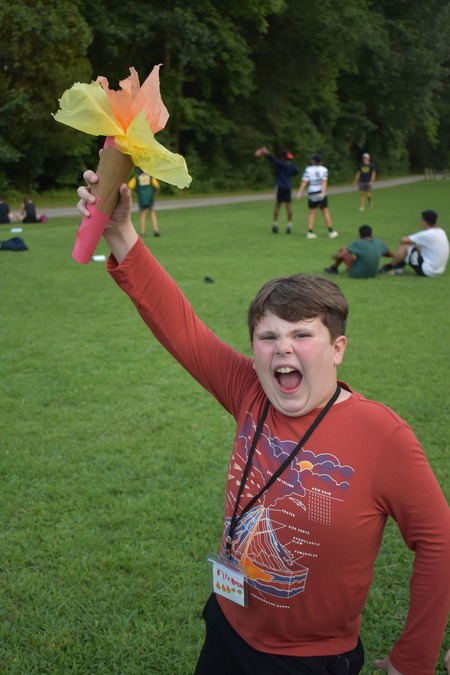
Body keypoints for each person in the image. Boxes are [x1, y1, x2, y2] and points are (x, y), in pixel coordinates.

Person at [76, 170, 450, 675]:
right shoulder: (249, 389)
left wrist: (414, 659)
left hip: (311, 659)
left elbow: (438, 541)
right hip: (227, 626)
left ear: (338, 349)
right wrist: (120, 231)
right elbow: (180, 325)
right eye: (268, 336)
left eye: (302, 334)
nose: (284, 349)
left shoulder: (383, 436)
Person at [380, 209, 449, 276]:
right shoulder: (441, 231)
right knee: (416, 245)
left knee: (404, 246)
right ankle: (400, 266)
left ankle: (390, 267)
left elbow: (403, 240)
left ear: (424, 221)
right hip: (439, 271)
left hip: (428, 271)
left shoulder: (427, 234)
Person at [255, 146, 299, 234]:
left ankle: (275, 224)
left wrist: (266, 152)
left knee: (277, 206)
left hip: (280, 186)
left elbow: (272, 159)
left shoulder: (280, 164)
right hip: (288, 187)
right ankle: (289, 225)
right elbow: (296, 171)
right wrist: (289, 176)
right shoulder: (291, 165)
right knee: (288, 206)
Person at [324, 224, 393, 278]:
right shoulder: (379, 242)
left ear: (360, 234)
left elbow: (341, 255)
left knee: (343, 249)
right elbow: (391, 255)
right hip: (374, 273)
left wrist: (334, 256)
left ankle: (334, 268)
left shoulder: (358, 243)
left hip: (358, 274)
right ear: (371, 233)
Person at [297, 153, 338, 239]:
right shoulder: (324, 169)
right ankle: (330, 231)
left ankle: (310, 231)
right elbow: (324, 181)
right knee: (325, 211)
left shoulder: (308, 169)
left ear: (313, 161)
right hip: (320, 191)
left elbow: (304, 181)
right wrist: (323, 192)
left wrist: (300, 192)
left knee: (312, 212)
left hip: (312, 191)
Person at [128, 169, 160, 237]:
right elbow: (157, 186)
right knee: (152, 212)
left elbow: (130, 186)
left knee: (143, 214)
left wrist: (131, 195)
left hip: (142, 198)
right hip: (150, 197)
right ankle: (156, 230)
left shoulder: (136, 178)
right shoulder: (150, 177)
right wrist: (155, 193)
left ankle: (143, 232)